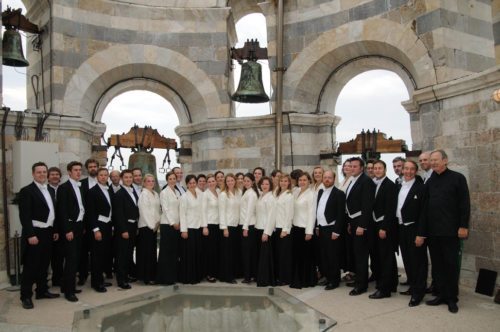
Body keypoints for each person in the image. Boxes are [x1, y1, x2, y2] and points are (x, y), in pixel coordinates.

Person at [416, 150, 470, 313]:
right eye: (431, 160)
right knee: (438, 266)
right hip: (433, 232)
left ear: (445, 161)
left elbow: (464, 204)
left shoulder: (457, 178)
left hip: (451, 232)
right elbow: (424, 208)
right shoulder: (430, 181)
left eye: (436, 160)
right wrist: (422, 232)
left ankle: (452, 298)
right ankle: (440, 295)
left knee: (451, 266)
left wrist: (463, 226)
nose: (432, 163)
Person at [19, 162, 60, 309]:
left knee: (44, 264)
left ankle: (42, 291)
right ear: (33, 174)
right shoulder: (27, 191)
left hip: (48, 232)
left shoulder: (49, 190)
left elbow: (52, 212)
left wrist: (54, 230)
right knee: (31, 266)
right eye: (39, 172)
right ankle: (25, 296)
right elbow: (25, 216)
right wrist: (30, 234)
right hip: (35, 233)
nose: (42, 174)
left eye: (44, 172)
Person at [397, 161, 427, 307]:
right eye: (406, 169)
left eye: (411, 169)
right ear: (402, 170)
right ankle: (413, 287)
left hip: (415, 229)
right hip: (402, 229)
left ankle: (418, 293)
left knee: (418, 263)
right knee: (408, 260)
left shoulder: (421, 188)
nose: (408, 171)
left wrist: (421, 234)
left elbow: (424, 213)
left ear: (416, 171)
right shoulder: (399, 186)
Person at [345, 157, 375, 296]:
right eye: (351, 166)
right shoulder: (353, 180)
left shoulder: (366, 181)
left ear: (361, 168)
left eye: (355, 166)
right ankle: (358, 279)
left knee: (361, 255)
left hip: (362, 223)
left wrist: (362, 225)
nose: (352, 168)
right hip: (354, 221)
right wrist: (351, 223)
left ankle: (361, 285)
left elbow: (367, 205)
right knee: (356, 254)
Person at [368, 160, 398, 299]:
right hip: (374, 224)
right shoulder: (373, 184)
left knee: (385, 258)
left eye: (380, 168)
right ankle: (391, 284)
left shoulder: (390, 185)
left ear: (385, 170)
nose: (377, 170)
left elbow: (390, 209)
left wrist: (384, 227)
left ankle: (384, 289)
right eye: (375, 168)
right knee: (381, 257)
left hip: (384, 226)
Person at [57, 161, 85, 302]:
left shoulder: (80, 187)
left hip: (79, 227)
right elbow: (62, 211)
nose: (78, 172)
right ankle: (69, 292)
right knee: (71, 260)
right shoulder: (64, 188)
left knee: (76, 259)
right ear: (69, 172)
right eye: (75, 170)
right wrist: (67, 230)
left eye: (80, 170)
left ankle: (68, 286)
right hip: (70, 228)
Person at [316, 170, 346, 291]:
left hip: (332, 228)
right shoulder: (320, 192)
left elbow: (340, 214)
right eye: (325, 177)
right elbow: (319, 210)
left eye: (329, 177)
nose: (327, 179)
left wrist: (337, 231)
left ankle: (334, 280)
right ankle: (328, 277)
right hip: (321, 228)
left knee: (333, 256)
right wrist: (317, 226)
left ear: (334, 179)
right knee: (324, 255)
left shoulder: (339, 193)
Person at [86, 168, 113, 293]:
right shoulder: (92, 192)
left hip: (107, 226)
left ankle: (100, 279)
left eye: (105, 175)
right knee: (97, 256)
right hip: (98, 227)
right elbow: (91, 213)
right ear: (97, 177)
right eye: (101, 175)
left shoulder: (109, 190)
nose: (103, 177)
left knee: (104, 255)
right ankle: (96, 283)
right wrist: (96, 230)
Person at [112, 169, 139, 289]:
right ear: (122, 179)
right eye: (126, 177)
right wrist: (123, 230)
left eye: (130, 177)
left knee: (128, 253)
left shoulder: (133, 192)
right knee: (122, 255)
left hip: (133, 227)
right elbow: (118, 214)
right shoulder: (119, 194)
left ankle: (126, 275)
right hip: (125, 228)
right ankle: (121, 280)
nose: (129, 179)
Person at [179, 174, 207, 284]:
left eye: (194, 183)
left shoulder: (200, 195)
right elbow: (182, 214)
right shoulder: (184, 197)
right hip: (189, 228)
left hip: (198, 227)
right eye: (190, 183)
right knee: (189, 254)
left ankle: (197, 276)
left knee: (198, 252)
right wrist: (184, 230)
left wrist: (204, 226)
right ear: (187, 184)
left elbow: (203, 211)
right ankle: (189, 277)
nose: (192, 184)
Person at [267, 173, 293, 286]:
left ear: (289, 183)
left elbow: (289, 214)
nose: (283, 183)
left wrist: (285, 229)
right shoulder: (277, 194)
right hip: (276, 228)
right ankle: (279, 276)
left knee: (284, 256)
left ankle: (284, 278)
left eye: (285, 181)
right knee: (278, 254)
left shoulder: (289, 195)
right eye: (281, 181)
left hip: (283, 229)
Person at [156, 171, 181, 285]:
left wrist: (179, 222)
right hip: (167, 224)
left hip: (177, 225)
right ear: (167, 180)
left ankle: (173, 276)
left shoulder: (177, 192)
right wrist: (172, 222)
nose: (172, 180)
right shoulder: (164, 192)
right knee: (166, 252)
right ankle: (164, 278)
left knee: (174, 251)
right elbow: (165, 209)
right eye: (170, 179)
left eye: (174, 178)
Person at [78, 158, 99, 286]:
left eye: (94, 166)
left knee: (97, 251)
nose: (93, 168)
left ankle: (98, 277)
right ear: (87, 169)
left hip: (100, 224)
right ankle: (82, 275)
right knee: (83, 252)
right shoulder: (81, 184)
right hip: (85, 224)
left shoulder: (104, 183)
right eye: (90, 167)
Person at [137, 174, 160, 285]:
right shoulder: (143, 194)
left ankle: (152, 275)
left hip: (154, 227)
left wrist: (157, 223)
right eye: (148, 181)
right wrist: (151, 225)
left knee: (152, 252)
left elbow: (157, 210)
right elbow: (144, 211)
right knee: (146, 253)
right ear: (144, 183)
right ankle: (146, 277)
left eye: (152, 181)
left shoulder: (155, 194)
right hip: (146, 227)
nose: (151, 183)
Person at [218, 174, 240, 283]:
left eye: (232, 180)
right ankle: (227, 277)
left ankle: (233, 274)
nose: (230, 182)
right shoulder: (223, 195)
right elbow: (221, 212)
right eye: (228, 181)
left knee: (234, 252)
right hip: (228, 227)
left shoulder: (238, 193)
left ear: (235, 181)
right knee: (227, 253)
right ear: (225, 183)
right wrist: (224, 228)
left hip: (236, 226)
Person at [256, 176, 276, 286]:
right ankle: (262, 278)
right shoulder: (261, 196)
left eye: (267, 184)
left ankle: (265, 280)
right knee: (262, 256)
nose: (264, 186)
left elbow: (271, 216)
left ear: (270, 186)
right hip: (259, 228)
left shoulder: (270, 198)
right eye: (263, 184)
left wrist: (266, 232)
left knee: (265, 257)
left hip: (265, 230)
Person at [240, 173, 259, 283]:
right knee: (249, 252)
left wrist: (245, 227)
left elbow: (249, 211)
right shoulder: (247, 192)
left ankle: (248, 277)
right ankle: (251, 275)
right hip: (247, 225)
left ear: (252, 182)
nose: (246, 182)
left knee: (248, 253)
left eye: (248, 181)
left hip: (249, 226)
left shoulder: (251, 194)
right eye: (244, 180)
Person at [201, 174, 220, 283]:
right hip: (210, 225)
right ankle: (209, 273)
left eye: (213, 181)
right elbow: (203, 211)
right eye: (210, 181)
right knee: (210, 251)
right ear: (207, 183)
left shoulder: (218, 192)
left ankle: (216, 272)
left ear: (216, 182)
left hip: (218, 225)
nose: (212, 183)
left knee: (216, 250)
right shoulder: (205, 194)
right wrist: (205, 226)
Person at [48, 166, 64, 288]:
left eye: (57, 174)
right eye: (52, 174)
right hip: (50, 228)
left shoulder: (64, 189)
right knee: (49, 256)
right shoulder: (46, 190)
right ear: (48, 177)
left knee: (59, 256)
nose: (55, 176)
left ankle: (58, 279)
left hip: (64, 228)